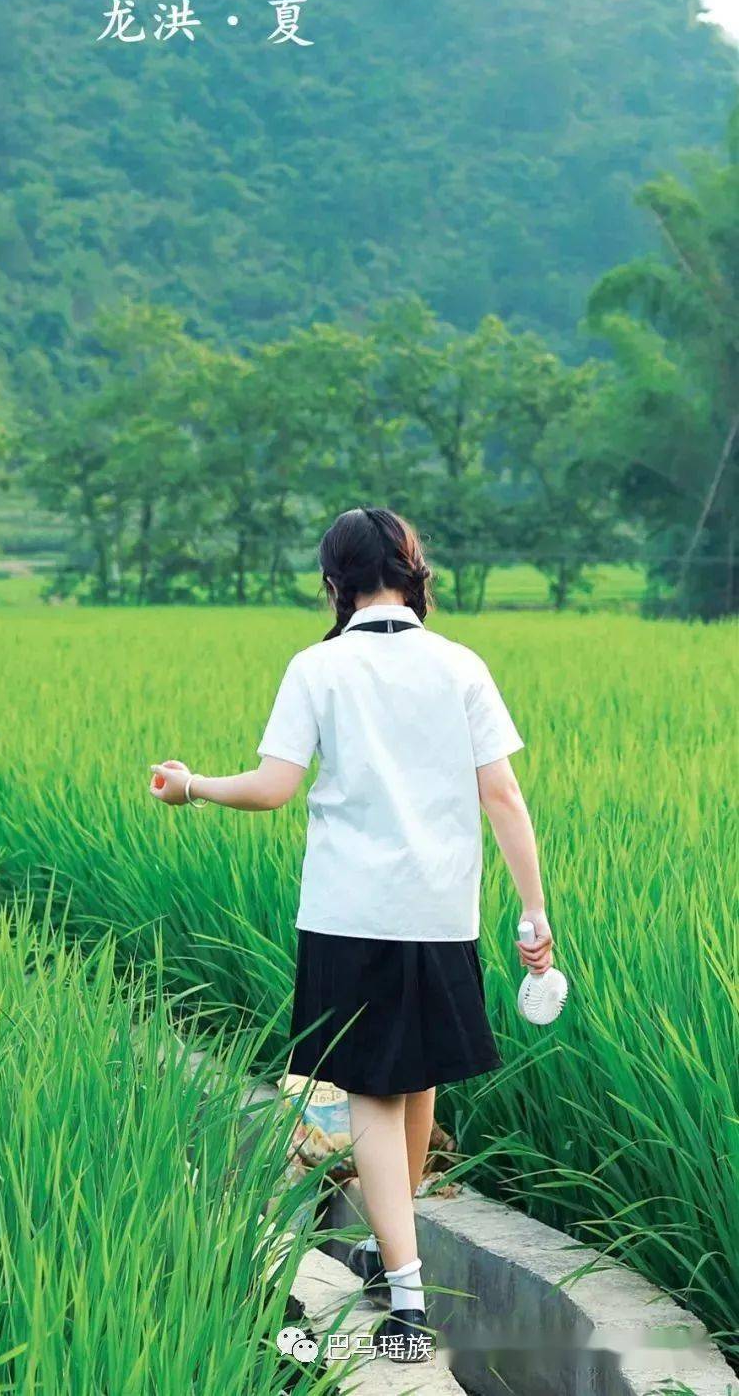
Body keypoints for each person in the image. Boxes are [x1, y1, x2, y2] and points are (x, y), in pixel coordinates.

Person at [148, 506, 553, 1358]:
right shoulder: (461, 665)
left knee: (370, 1091)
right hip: (443, 913)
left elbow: (270, 787)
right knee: (417, 1080)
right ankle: (383, 1250)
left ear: (333, 582)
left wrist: (190, 786)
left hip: (349, 913)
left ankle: (407, 1303)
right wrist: (533, 912)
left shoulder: (318, 667)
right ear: (412, 572)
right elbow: (504, 797)